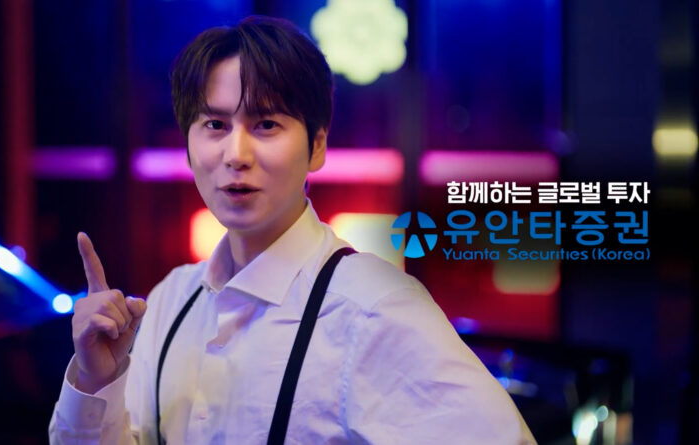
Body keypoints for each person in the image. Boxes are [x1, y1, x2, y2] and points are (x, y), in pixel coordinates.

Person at [49, 15, 536, 445]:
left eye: (265, 124)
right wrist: (96, 381)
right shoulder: (170, 302)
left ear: (317, 146)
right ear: (188, 143)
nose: (236, 154)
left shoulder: (371, 308)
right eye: (215, 125)